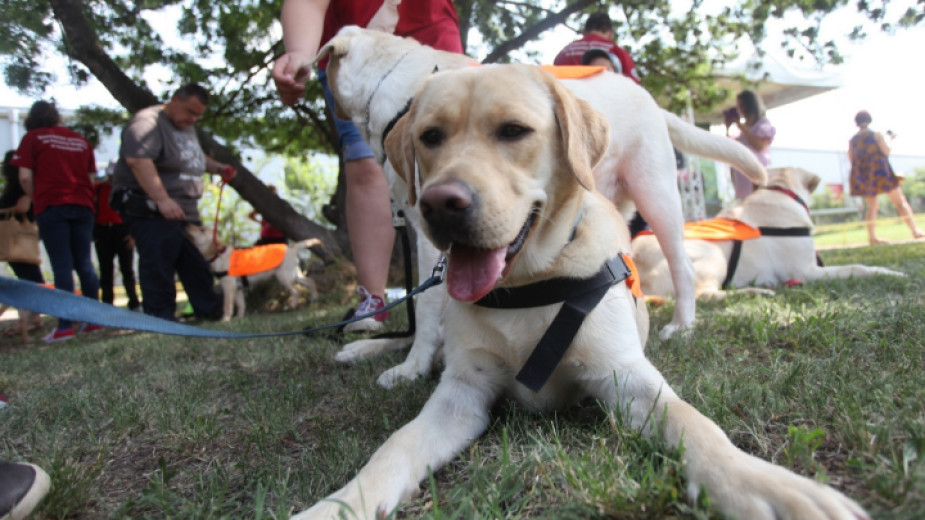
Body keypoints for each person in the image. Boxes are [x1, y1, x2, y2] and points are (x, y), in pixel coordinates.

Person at [271, 0, 463, 332]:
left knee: (455, 165)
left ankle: (467, 293)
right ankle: (373, 301)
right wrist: (301, 53)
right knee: (365, 164)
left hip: (436, 47)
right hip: (357, 57)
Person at [111, 83, 234, 321]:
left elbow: (193, 157)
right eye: (190, 112)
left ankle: (210, 313)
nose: (193, 119)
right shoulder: (147, 123)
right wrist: (162, 200)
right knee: (159, 263)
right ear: (175, 100)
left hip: (185, 210)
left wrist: (218, 168)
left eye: (198, 115)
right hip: (152, 209)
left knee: (196, 264)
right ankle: (161, 320)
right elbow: (138, 160)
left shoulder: (185, 126)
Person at [10, 101, 102, 343]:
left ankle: (65, 326)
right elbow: (91, 178)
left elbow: (25, 176)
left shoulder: (33, 138)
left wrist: (37, 199)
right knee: (84, 263)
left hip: (52, 206)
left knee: (62, 265)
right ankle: (94, 320)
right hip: (82, 205)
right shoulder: (80, 140)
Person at [848, 110, 924, 244]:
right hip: (882, 173)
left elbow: (851, 158)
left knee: (872, 206)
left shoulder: (853, 140)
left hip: (865, 177)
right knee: (900, 202)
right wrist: (890, 139)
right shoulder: (876, 135)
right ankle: (915, 231)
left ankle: (872, 237)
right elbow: (886, 150)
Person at [0, 150, 45, 335]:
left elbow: (22, 207)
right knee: (31, 281)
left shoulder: (16, 188)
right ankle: (30, 321)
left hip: (15, 240)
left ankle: (29, 321)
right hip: (18, 240)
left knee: (29, 281)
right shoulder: (20, 187)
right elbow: (24, 207)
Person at [93, 163, 141, 311]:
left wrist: (133, 235)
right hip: (103, 231)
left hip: (122, 231)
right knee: (106, 270)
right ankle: (107, 304)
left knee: (127, 269)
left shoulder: (126, 188)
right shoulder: (99, 188)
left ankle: (134, 302)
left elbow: (133, 212)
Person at [554, 12, 640, 84]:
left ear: (584, 32)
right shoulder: (617, 51)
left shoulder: (564, 52)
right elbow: (634, 86)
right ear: (611, 33)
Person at [725, 89, 775, 200]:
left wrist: (742, 126)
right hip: (741, 177)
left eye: (742, 106)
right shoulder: (743, 128)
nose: (740, 110)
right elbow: (730, 148)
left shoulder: (762, 124)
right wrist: (728, 128)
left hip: (756, 174)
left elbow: (760, 145)